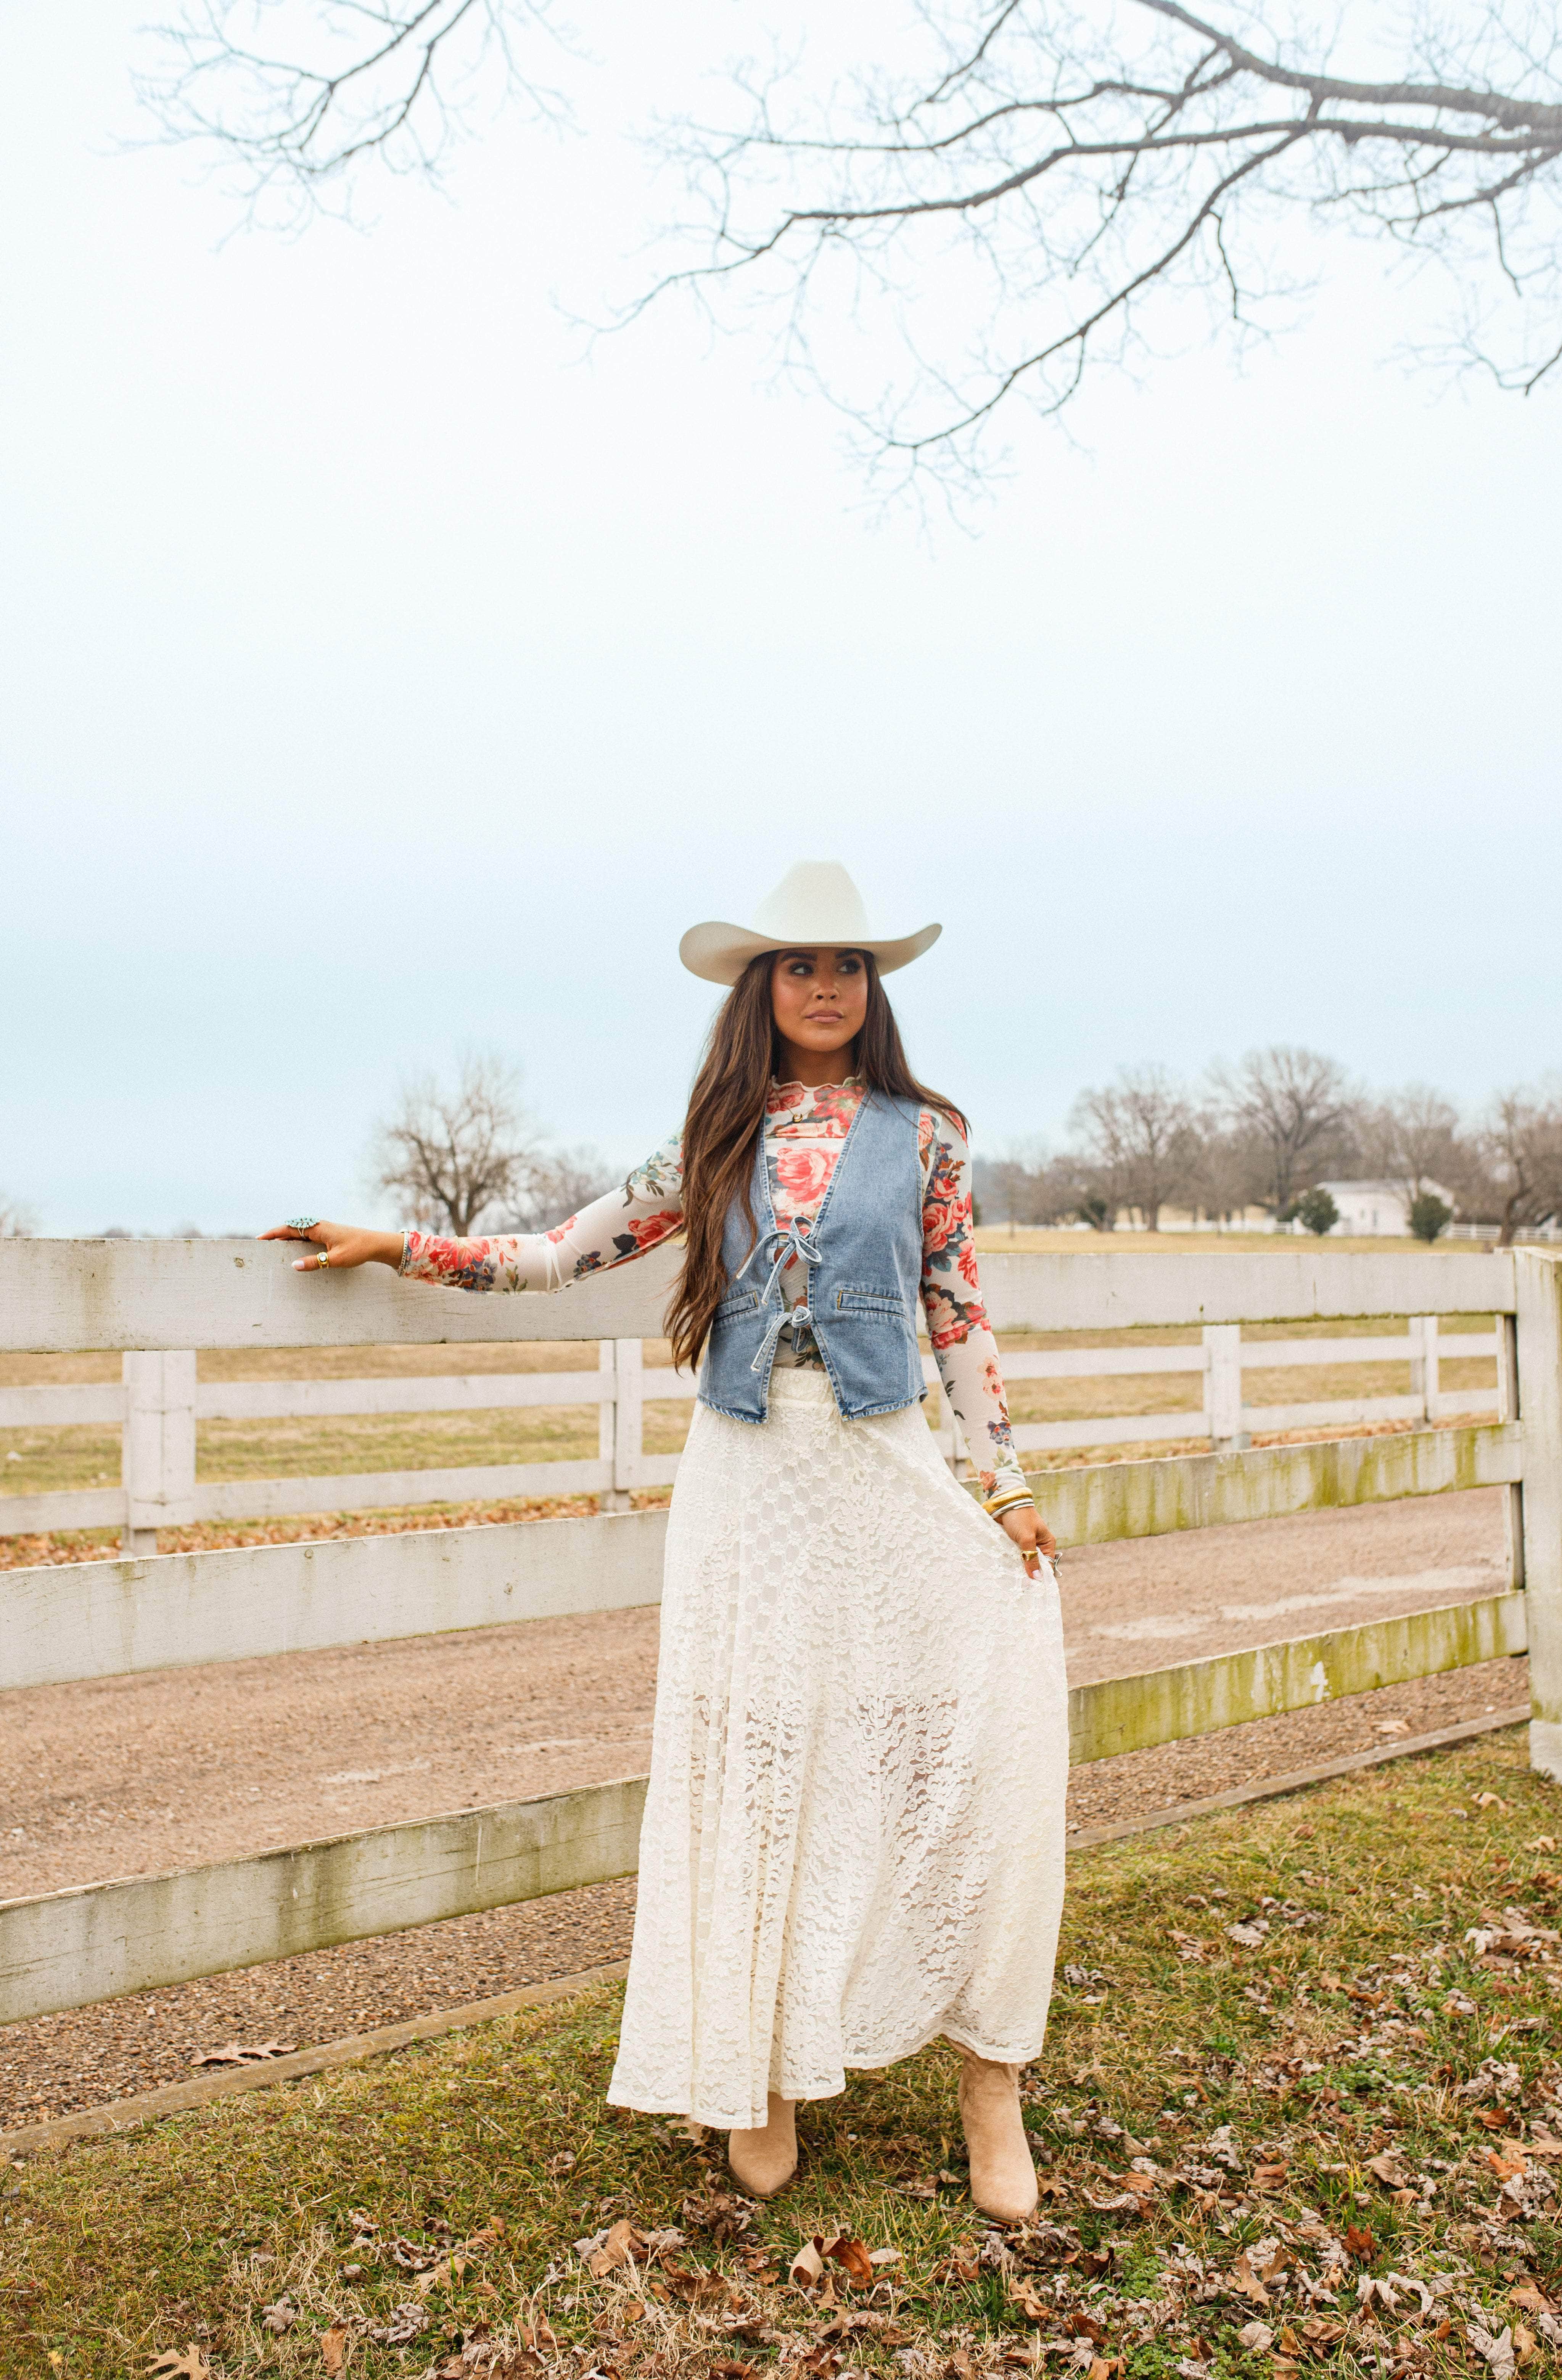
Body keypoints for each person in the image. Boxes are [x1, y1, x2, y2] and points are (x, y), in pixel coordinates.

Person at [263, 862, 1068, 2222]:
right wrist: (394, 1244)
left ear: (873, 990)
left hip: (880, 1462)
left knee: (960, 1732)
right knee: (758, 1752)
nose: (826, 985)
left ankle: (992, 2075)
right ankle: (764, 2063)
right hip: (750, 1483)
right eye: (800, 965)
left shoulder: (926, 1133)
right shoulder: (713, 1137)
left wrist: (1003, 1484)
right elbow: (554, 1255)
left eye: (849, 965)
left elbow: (957, 1312)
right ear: (762, 989)